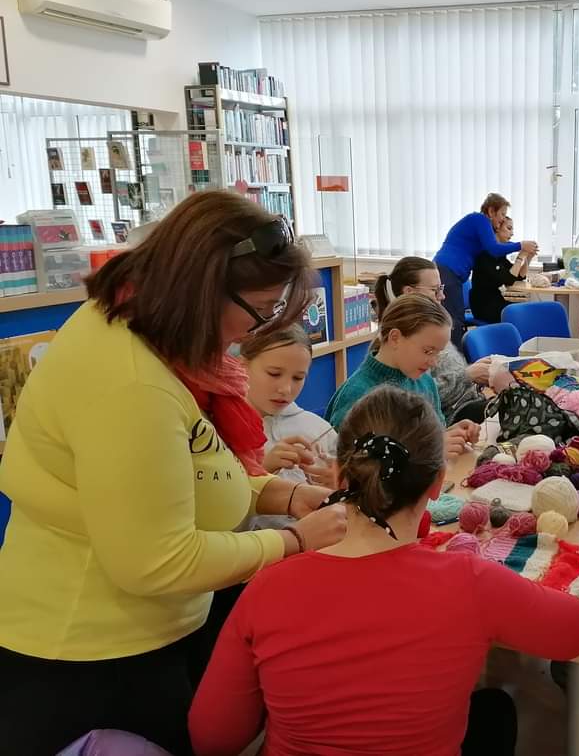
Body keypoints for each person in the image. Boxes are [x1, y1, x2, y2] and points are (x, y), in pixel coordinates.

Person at [0, 191, 349, 755]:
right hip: (89, 654)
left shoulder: (154, 338)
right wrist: (292, 541)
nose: (253, 330)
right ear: (204, 289)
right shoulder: (132, 384)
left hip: (150, 633)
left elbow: (185, 474)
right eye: (260, 308)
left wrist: (282, 496)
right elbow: (157, 559)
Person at [189, 386, 579, 756]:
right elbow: (576, 631)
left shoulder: (268, 586)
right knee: (495, 709)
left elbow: (214, 737)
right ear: (437, 483)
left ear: (340, 476)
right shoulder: (471, 582)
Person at [325, 294, 481, 458]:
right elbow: (349, 462)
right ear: (395, 338)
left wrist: (452, 434)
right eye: (428, 351)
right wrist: (429, 450)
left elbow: (429, 435)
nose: (434, 363)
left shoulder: (425, 381)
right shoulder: (358, 394)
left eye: (438, 353)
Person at [240, 325, 338, 531]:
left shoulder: (320, 429)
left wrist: (340, 484)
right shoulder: (218, 431)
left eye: (298, 378)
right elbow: (214, 518)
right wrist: (262, 471)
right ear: (242, 366)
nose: (286, 389)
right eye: (274, 374)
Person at [374, 257, 490, 424]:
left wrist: (475, 374)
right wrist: (467, 375)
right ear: (409, 292)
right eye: (435, 290)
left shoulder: (431, 326)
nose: (442, 296)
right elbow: (416, 397)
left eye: (441, 289)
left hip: (467, 403)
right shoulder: (407, 338)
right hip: (453, 415)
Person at [433, 193, 539, 349]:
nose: (502, 219)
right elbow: (494, 248)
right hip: (448, 270)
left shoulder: (481, 229)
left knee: (454, 318)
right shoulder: (479, 219)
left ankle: (455, 357)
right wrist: (520, 245)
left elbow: (497, 252)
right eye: (502, 214)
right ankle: (454, 359)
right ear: (490, 211)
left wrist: (524, 254)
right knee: (454, 320)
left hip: (450, 272)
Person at [470, 215, 532, 324]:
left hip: (496, 301)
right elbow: (509, 279)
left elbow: (519, 276)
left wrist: (528, 257)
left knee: (527, 310)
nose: (512, 233)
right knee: (523, 314)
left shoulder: (500, 254)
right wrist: (520, 256)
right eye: (509, 228)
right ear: (497, 228)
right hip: (484, 305)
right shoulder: (485, 254)